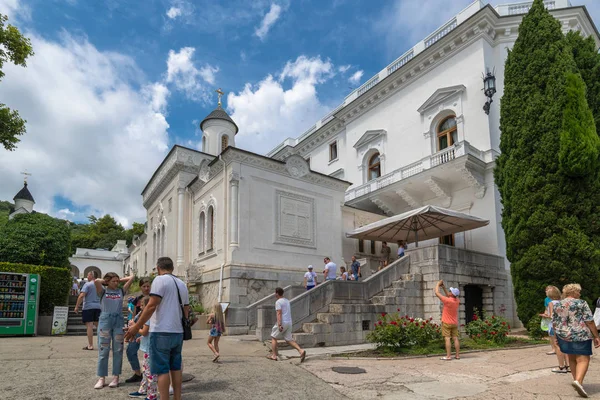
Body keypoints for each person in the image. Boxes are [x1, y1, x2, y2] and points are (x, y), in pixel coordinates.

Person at [125, 257, 189, 400]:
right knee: (176, 368)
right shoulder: (182, 284)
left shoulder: (160, 280)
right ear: (172, 267)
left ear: (158, 268)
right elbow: (186, 310)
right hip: (177, 332)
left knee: (161, 370)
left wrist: (135, 327)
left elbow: (152, 305)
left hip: (161, 331)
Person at [552, 283, 600, 398]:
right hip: (580, 334)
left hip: (563, 335)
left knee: (572, 358)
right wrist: (596, 336)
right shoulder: (581, 303)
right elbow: (589, 321)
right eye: (578, 291)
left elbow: (554, 322)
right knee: (583, 359)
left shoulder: (558, 305)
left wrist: (555, 337)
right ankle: (578, 381)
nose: (580, 293)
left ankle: (577, 382)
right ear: (573, 292)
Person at [94, 272, 134, 389]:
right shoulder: (102, 291)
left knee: (118, 349)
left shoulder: (121, 291)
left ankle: (116, 377)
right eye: (114, 281)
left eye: (117, 281)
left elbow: (132, 278)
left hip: (118, 322)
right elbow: (96, 281)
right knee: (103, 349)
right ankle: (101, 377)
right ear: (107, 281)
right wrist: (106, 281)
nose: (116, 283)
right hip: (105, 322)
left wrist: (119, 280)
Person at [266, 287, 306, 363]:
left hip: (283, 322)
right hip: (289, 322)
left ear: (277, 293)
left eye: (275, 293)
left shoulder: (278, 302)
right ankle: (301, 351)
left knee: (273, 337)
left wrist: (279, 324)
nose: (275, 294)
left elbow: (279, 313)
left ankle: (274, 355)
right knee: (288, 339)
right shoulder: (287, 301)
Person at [128, 296, 157, 400]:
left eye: (143, 305)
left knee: (149, 373)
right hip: (148, 347)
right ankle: (143, 390)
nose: (141, 307)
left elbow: (145, 331)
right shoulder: (151, 317)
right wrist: (141, 337)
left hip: (149, 349)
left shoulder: (148, 317)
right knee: (145, 371)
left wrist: (135, 326)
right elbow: (148, 333)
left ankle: (152, 395)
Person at [125, 277, 152, 384]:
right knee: (130, 350)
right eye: (144, 286)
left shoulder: (154, 297)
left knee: (149, 354)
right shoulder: (138, 299)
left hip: (148, 327)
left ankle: (151, 375)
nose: (146, 288)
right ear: (140, 287)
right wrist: (132, 325)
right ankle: (137, 373)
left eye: (148, 286)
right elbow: (135, 314)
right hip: (138, 327)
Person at [540, 285, 570, 373]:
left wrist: (544, 315)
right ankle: (568, 365)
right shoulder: (562, 302)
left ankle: (561, 366)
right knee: (565, 345)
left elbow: (552, 315)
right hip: (563, 326)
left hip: (554, 325)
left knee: (557, 345)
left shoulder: (551, 303)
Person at [74, 271, 101, 351]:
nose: (87, 276)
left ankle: (90, 345)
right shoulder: (100, 285)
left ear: (92, 276)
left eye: (88, 275)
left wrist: (76, 306)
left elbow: (82, 295)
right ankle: (102, 344)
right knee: (99, 326)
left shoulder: (87, 284)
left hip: (88, 307)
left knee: (89, 325)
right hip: (98, 307)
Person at [434, 280, 460, 361]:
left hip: (446, 322)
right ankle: (457, 355)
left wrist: (438, 284)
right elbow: (448, 295)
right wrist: (444, 287)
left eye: (450, 291)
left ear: (452, 294)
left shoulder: (447, 300)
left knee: (447, 338)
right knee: (455, 338)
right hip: (454, 323)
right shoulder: (457, 301)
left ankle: (448, 356)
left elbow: (437, 293)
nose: (449, 292)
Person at [544, 286, 555, 355]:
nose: (546, 291)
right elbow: (546, 308)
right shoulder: (546, 299)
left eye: (548, 290)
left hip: (554, 318)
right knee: (550, 334)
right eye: (546, 290)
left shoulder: (558, 298)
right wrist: (545, 314)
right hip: (549, 318)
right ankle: (553, 348)